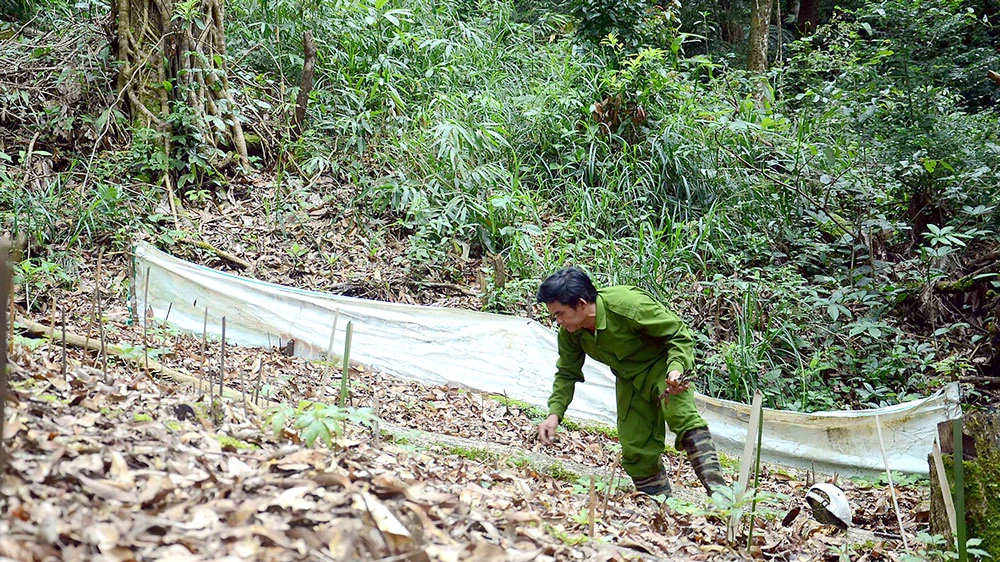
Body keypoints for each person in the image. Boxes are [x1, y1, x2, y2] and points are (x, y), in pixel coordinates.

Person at [535, 267, 726, 497]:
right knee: (636, 448)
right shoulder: (571, 333)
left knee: (682, 417)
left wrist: (676, 369)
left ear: (582, 303)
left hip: (663, 367)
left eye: (560, 313)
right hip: (629, 380)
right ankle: (660, 508)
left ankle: (722, 498)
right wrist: (555, 414)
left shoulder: (628, 305)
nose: (558, 321)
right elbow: (566, 372)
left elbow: (678, 333)